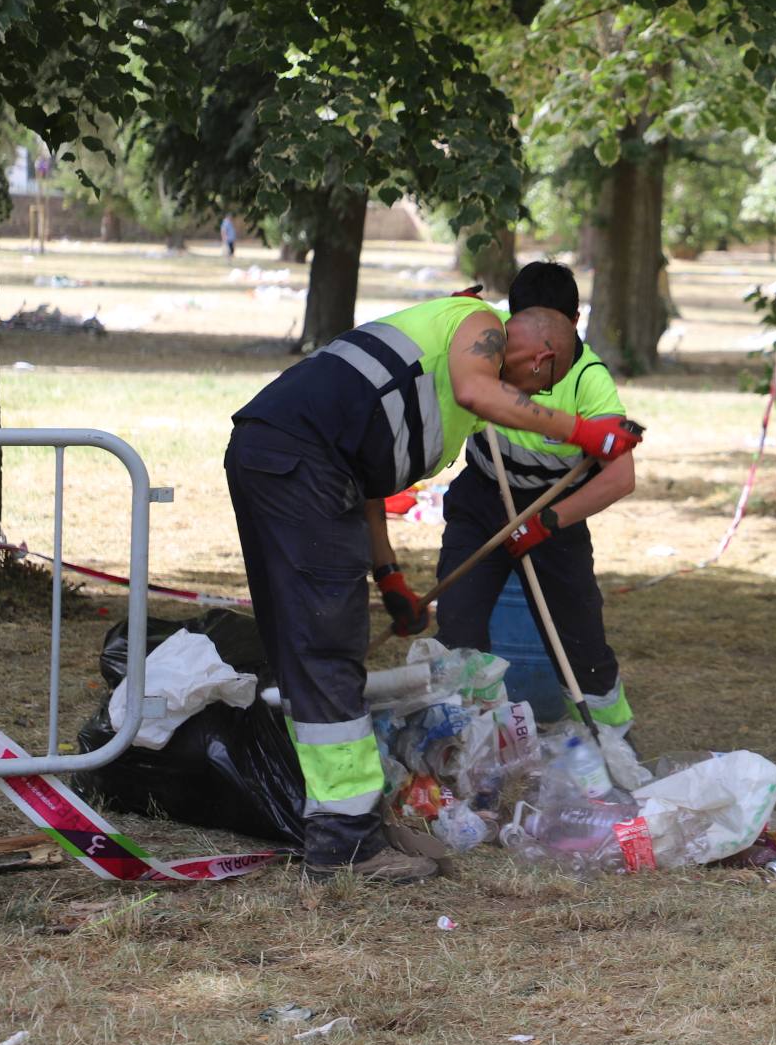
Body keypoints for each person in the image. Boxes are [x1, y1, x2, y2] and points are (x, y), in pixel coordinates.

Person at [225, 295, 641, 883]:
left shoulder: (448, 365)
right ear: (542, 359)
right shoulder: (480, 327)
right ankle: (345, 840)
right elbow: (480, 391)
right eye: (540, 385)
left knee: (306, 639)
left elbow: (367, 480)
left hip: (287, 458)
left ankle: (325, 812)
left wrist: (388, 573)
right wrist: (584, 432)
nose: (533, 396)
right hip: (298, 462)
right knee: (326, 647)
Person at [432, 263, 637, 739]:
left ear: (574, 322)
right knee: (458, 627)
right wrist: (450, 316)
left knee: (581, 641)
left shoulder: (589, 378)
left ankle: (613, 740)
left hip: (552, 513)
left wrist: (548, 522)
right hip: (483, 499)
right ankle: (465, 740)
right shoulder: (486, 351)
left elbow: (619, 478)